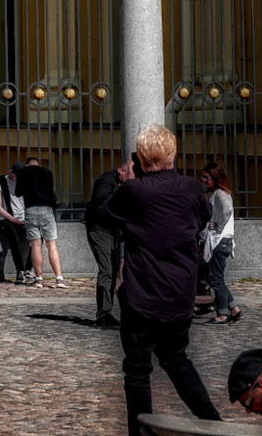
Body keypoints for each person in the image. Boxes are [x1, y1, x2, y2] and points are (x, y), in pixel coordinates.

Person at [101, 122, 222, 436]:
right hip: (180, 291)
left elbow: (105, 216)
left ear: (141, 159)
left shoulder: (135, 191)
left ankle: (141, 433)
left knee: (138, 370)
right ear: (172, 155)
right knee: (176, 358)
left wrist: (126, 184)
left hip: (142, 293)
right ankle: (212, 421)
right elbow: (202, 218)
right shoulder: (192, 188)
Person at [84, 158, 133, 327]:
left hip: (112, 231)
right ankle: (104, 314)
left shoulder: (119, 183)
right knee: (107, 271)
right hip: (100, 229)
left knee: (111, 272)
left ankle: (107, 311)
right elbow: (102, 200)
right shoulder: (106, 181)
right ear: (122, 171)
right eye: (131, 174)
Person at [16, 155, 65, 289]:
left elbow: (18, 192)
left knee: (35, 245)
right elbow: (51, 192)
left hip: (31, 209)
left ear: (27, 165)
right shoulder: (47, 172)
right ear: (39, 164)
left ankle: (39, 279)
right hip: (46, 209)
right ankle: (59, 279)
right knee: (52, 244)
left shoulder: (22, 173)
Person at [203, 165, 240, 325]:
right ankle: (234, 309)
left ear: (216, 177)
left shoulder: (220, 194)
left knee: (216, 279)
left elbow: (227, 210)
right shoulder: (220, 193)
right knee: (217, 278)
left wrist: (218, 226)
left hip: (220, 241)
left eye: (206, 177)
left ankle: (222, 314)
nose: (203, 180)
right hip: (223, 241)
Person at [0, 167, 31, 287]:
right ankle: (20, 270)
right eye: (17, 175)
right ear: (11, 172)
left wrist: (25, 218)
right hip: (7, 219)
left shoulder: (24, 183)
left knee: (38, 235)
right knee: (13, 235)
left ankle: (28, 269)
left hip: (23, 218)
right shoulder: (1, 182)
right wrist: (12, 219)